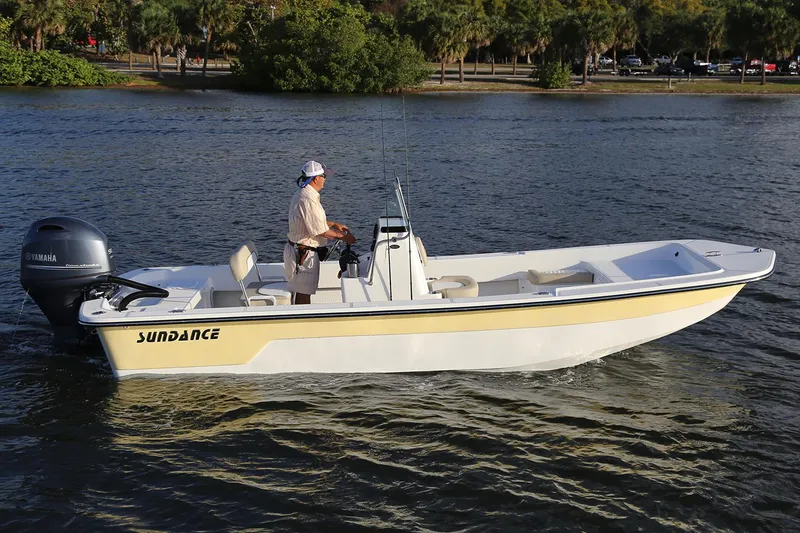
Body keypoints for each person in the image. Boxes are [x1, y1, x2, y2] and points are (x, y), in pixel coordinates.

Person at [283, 160, 356, 304]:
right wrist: (344, 237)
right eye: (324, 176)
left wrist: (334, 224)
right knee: (304, 295)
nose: (325, 179)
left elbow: (310, 221)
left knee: (303, 293)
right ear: (316, 178)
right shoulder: (308, 198)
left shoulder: (304, 193)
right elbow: (320, 230)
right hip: (303, 254)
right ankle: (303, 318)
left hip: (299, 251)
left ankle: (303, 316)